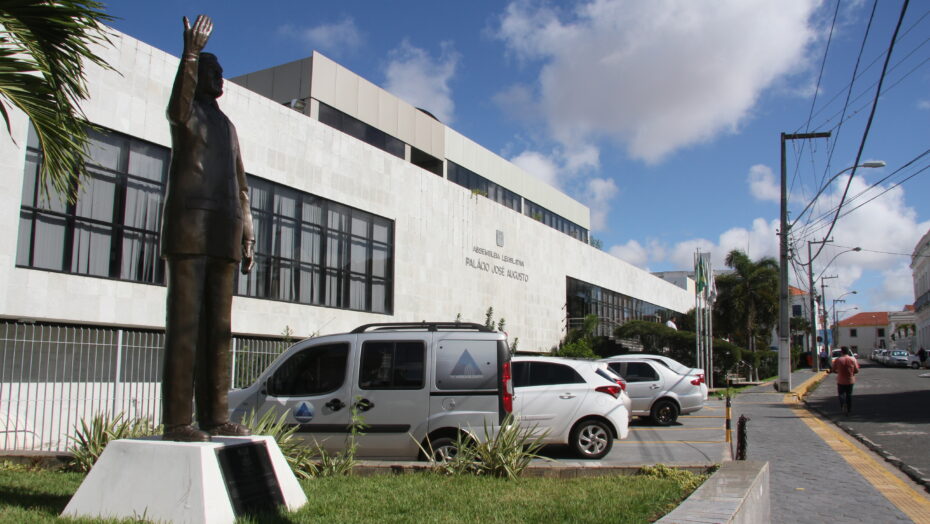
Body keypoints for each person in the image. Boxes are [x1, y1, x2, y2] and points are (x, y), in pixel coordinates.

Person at [160, 15, 255, 442]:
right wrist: (191, 53)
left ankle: (216, 417)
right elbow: (174, 108)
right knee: (184, 328)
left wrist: (247, 230)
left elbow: (241, 183)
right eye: (214, 71)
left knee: (219, 331)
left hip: (224, 232)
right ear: (197, 74)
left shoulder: (228, 126)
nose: (222, 79)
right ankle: (179, 422)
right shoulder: (187, 112)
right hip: (190, 228)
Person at [829, 346, 860, 416]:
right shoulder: (852, 360)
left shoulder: (838, 360)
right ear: (848, 352)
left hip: (841, 380)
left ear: (841, 352)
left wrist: (838, 372)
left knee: (841, 394)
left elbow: (833, 370)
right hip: (850, 380)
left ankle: (843, 404)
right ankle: (849, 409)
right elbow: (857, 370)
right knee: (849, 395)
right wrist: (852, 372)